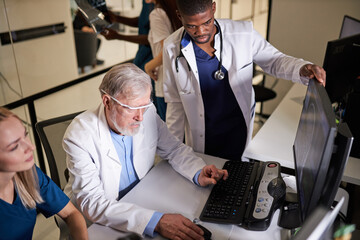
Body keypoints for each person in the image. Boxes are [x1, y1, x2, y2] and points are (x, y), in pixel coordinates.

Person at [63, 63, 228, 239]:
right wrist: (155, 221)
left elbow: (173, 148)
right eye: (131, 108)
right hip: (99, 221)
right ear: (107, 101)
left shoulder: (147, 113)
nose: (140, 117)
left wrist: (197, 171)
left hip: (142, 198)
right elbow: (93, 203)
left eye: (144, 106)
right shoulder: (79, 136)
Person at [162, 0, 326, 161]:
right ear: (179, 16)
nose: (201, 31)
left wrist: (302, 68)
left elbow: (274, 61)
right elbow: (174, 102)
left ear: (213, 8)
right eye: (191, 26)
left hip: (237, 132)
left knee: (238, 178)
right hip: (203, 138)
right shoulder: (171, 47)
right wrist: (172, 153)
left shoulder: (242, 34)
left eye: (207, 22)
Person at [0, 107, 88, 240]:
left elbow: (71, 214)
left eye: (25, 135)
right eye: (14, 146)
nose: (31, 147)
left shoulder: (27, 173)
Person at [144, 0, 182, 121]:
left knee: (169, 134)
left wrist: (148, 66)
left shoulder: (157, 14)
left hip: (165, 82)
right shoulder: (176, 8)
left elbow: (168, 50)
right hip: (180, 79)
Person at [101, 0, 154, 71]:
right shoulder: (147, 2)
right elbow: (143, 21)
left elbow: (152, 38)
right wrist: (117, 18)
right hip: (143, 53)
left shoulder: (158, 6)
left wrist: (118, 36)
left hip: (152, 56)